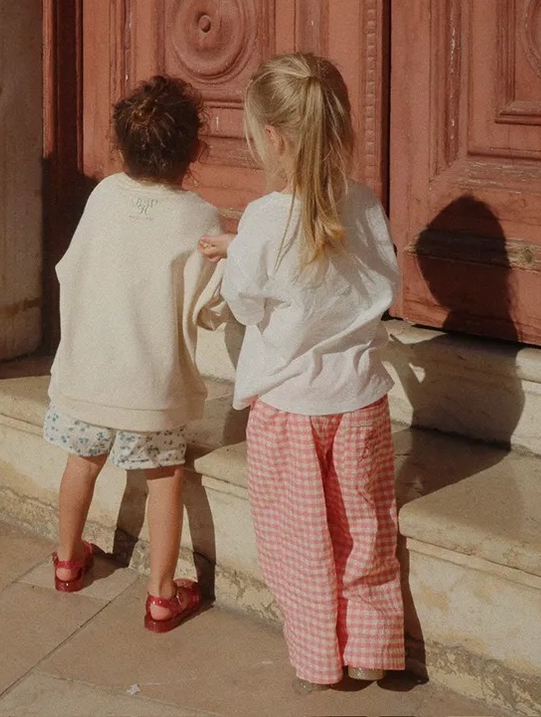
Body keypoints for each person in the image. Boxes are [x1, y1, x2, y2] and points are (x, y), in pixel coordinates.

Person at [199, 53, 405, 690]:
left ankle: (319, 657)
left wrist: (240, 254)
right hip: (361, 400)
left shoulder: (264, 219)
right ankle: (370, 646)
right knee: (365, 527)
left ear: (273, 137)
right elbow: (379, 279)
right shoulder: (364, 204)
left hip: (289, 408)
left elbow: (246, 302)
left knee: (299, 541)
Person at [44, 75, 226, 631]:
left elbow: (71, 268)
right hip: (150, 385)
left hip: (87, 373)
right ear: (195, 149)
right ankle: (162, 594)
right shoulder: (198, 216)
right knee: (164, 476)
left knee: (82, 462)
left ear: (120, 145)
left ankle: (68, 560)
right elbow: (210, 309)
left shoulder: (103, 196)